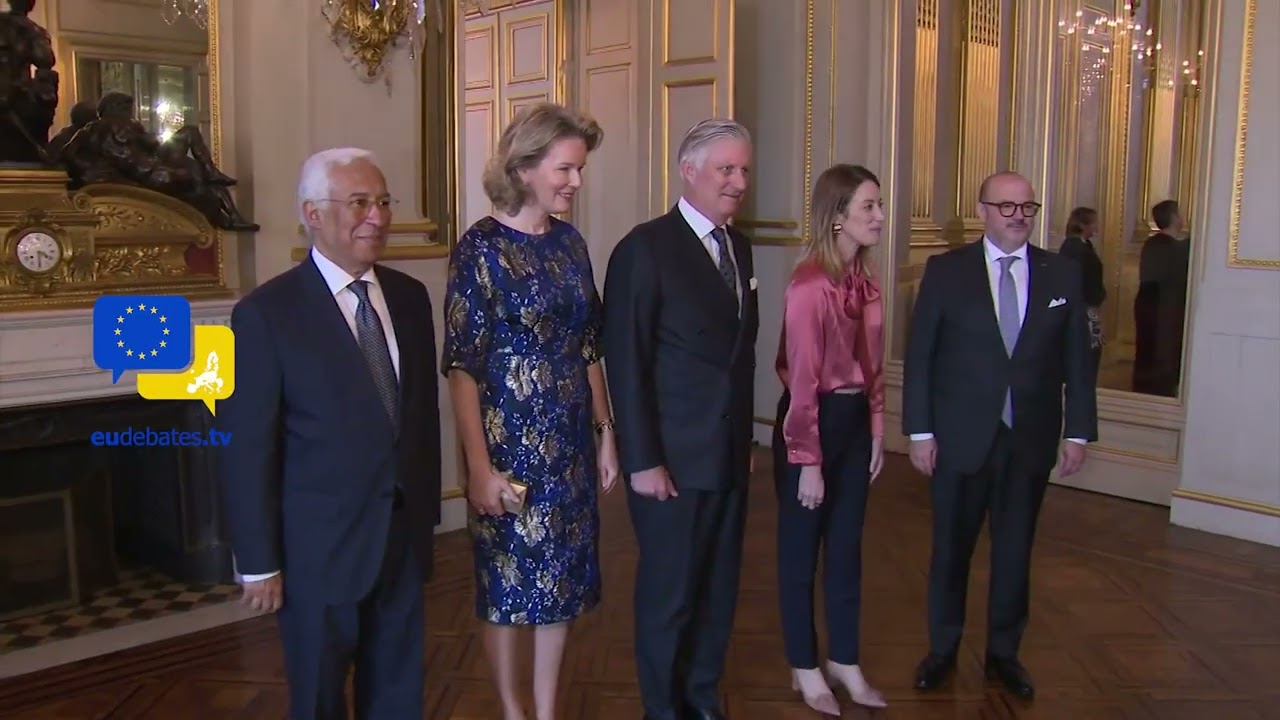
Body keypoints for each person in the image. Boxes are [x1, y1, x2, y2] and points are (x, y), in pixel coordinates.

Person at [216, 147, 442, 719]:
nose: (378, 217)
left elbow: (417, 419)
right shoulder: (266, 314)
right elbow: (248, 447)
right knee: (318, 699)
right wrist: (258, 560)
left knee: (398, 697)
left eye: (384, 202)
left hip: (399, 542)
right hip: (316, 552)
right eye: (359, 203)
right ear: (313, 214)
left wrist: (426, 521)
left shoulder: (410, 298)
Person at [441, 102, 619, 720]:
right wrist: (477, 468)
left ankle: (545, 711)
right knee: (507, 586)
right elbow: (461, 366)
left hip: (568, 445)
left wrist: (605, 431)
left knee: (559, 584)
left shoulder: (570, 244)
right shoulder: (479, 249)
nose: (576, 181)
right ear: (523, 168)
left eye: (579, 169)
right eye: (565, 168)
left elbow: (589, 345)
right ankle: (513, 710)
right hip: (506, 448)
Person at [902, 171, 1097, 700]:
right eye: (1006, 206)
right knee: (951, 551)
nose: (1018, 216)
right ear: (983, 210)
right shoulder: (946, 271)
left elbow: (1078, 361)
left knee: (1014, 552)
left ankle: (1004, 655)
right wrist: (919, 432)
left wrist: (1078, 432)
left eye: (1026, 207)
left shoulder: (1062, 274)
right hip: (960, 438)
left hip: (1029, 438)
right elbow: (921, 358)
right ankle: (942, 651)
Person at [603, 117, 758, 720]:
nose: (738, 181)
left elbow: (738, 359)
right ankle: (662, 709)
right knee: (670, 595)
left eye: (744, 170)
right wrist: (643, 460)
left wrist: (744, 442)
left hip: (727, 455)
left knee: (718, 590)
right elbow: (627, 362)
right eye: (726, 169)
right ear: (688, 170)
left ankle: (701, 700)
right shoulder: (644, 249)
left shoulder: (739, 247)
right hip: (669, 461)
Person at [772, 164, 888, 715]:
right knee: (801, 552)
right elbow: (801, 381)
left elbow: (874, 366)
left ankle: (844, 658)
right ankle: (804, 665)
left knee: (846, 549)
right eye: (869, 206)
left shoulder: (865, 282)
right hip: (810, 426)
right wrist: (808, 460)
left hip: (854, 423)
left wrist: (877, 429)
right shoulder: (809, 284)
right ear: (838, 216)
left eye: (879, 205)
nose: (880, 216)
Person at [1057, 206, 1105, 381]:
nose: (1097, 226)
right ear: (1084, 225)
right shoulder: (1075, 249)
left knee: (1092, 349)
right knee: (1087, 351)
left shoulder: (1083, 246)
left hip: (1089, 306)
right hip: (1083, 307)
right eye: (1094, 222)